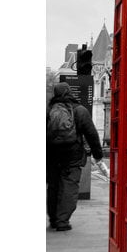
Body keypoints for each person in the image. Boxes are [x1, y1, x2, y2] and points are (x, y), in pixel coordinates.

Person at [46, 82, 103, 232]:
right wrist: (98, 154)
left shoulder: (49, 110)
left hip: (52, 155)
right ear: (69, 92)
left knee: (53, 187)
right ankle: (62, 221)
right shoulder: (79, 110)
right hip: (72, 155)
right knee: (69, 187)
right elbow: (91, 134)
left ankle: (53, 219)